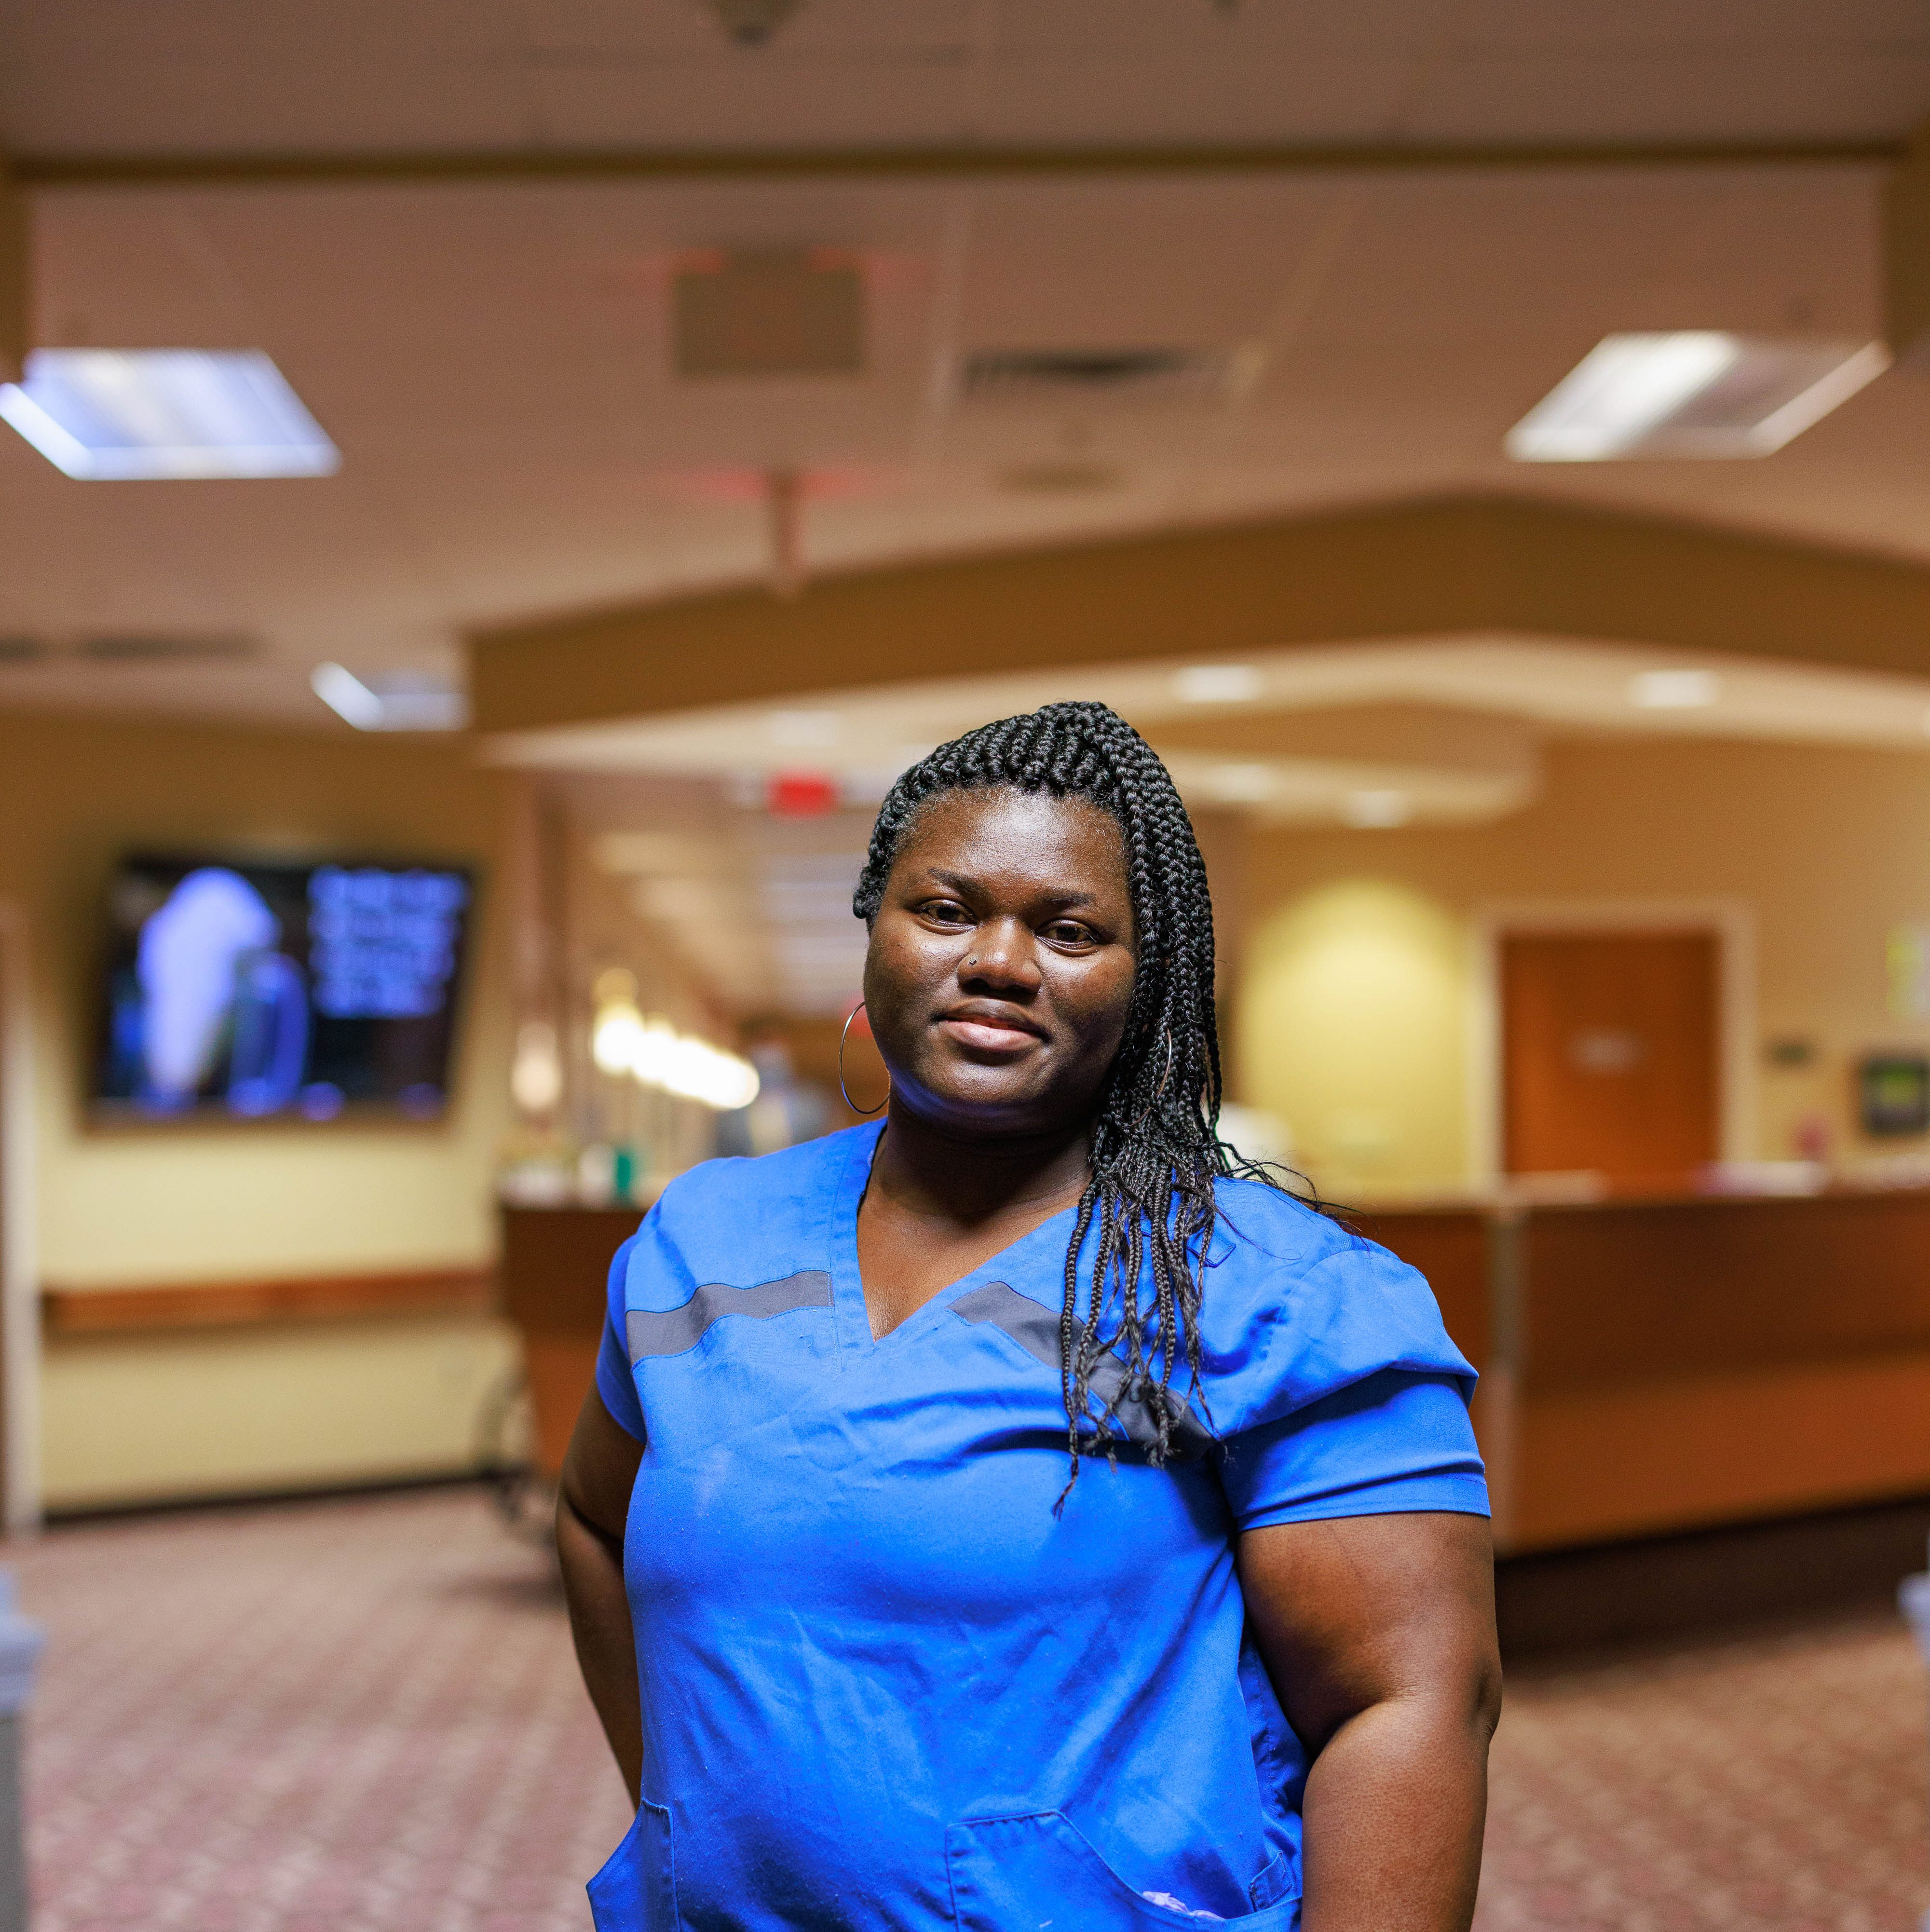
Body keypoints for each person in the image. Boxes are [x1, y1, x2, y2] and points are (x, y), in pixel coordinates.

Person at [557, 701, 1500, 1932]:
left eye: (1068, 929)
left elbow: (1410, 1704)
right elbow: (591, 1512)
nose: (999, 959)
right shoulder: (701, 1240)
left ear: (1145, 973)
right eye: (946, 909)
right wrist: (693, 1815)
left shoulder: (1278, 1291)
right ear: (875, 928)